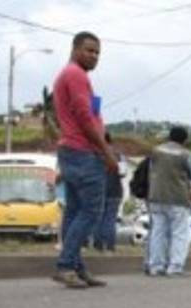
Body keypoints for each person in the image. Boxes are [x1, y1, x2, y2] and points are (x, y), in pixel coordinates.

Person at [51, 31, 120, 289]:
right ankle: (66, 265)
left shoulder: (72, 76)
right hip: (83, 152)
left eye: (97, 52)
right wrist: (106, 152)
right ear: (75, 49)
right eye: (89, 50)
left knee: (75, 211)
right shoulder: (75, 76)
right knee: (92, 212)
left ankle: (77, 268)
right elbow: (85, 119)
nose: (94, 56)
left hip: (72, 150)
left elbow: (90, 115)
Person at [147, 126, 191, 276]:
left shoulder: (156, 151)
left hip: (156, 196)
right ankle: (175, 266)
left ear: (169, 136)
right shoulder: (185, 154)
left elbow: (152, 170)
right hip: (177, 198)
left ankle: (156, 266)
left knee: (158, 232)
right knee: (179, 233)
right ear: (185, 140)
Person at [92, 133, 124, 252]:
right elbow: (123, 173)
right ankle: (110, 245)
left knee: (98, 218)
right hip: (115, 189)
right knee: (110, 218)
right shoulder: (118, 155)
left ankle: (98, 244)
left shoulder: (94, 154)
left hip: (98, 189)